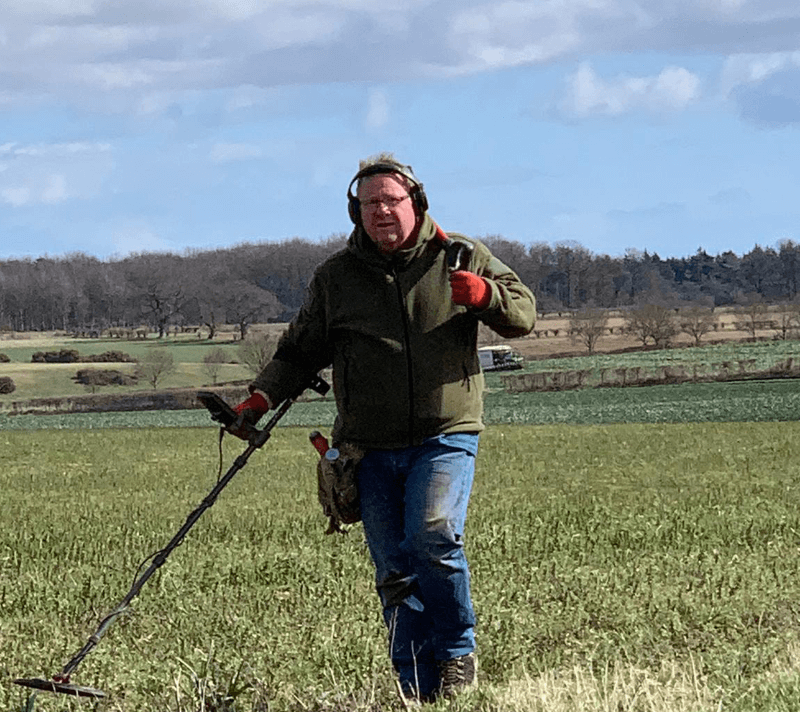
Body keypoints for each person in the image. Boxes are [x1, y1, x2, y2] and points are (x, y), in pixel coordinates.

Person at [230, 153, 536, 703]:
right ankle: (415, 688)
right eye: (369, 204)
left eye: (391, 201)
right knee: (393, 564)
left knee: (433, 533)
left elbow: (524, 314)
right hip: (366, 446)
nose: (381, 212)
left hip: (446, 431)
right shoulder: (336, 278)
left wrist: (484, 295)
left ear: (415, 203)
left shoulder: (460, 256)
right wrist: (259, 398)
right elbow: (300, 352)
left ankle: (456, 651)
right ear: (356, 211)